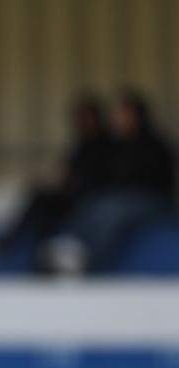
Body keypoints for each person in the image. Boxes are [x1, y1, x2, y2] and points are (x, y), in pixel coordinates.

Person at [43, 89, 177, 273]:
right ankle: (69, 249)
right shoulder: (114, 145)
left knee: (112, 212)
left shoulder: (154, 144)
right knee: (93, 205)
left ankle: (89, 261)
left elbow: (155, 182)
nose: (118, 119)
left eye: (123, 114)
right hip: (118, 199)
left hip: (152, 201)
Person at [0, 94, 112, 266]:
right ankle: (35, 253)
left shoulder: (103, 144)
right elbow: (67, 169)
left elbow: (95, 176)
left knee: (44, 203)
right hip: (74, 195)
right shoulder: (83, 143)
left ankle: (13, 239)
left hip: (90, 198)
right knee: (42, 205)